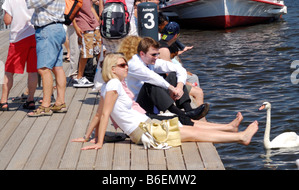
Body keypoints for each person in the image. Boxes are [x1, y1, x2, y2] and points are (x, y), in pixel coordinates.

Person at [71, 53, 259, 150]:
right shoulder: (113, 84)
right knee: (193, 133)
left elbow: (98, 114)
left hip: (147, 127)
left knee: (192, 131)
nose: (126, 67)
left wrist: (88, 136)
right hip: (145, 132)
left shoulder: (108, 85)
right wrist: (99, 142)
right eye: (122, 65)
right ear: (112, 69)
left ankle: (235, 132)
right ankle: (240, 137)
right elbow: (103, 115)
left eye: (126, 64)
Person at [127, 37, 208, 124]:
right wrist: (172, 89)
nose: (156, 57)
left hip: (154, 99)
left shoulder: (151, 60)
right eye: (153, 54)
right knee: (150, 84)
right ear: (142, 54)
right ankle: (181, 114)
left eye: (157, 54)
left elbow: (179, 69)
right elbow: (152, 77)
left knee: (173, 75)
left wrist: (179, 87)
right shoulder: (134, 64)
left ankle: (189, 110)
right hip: (140, 105)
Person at [23, 0, 67, 116]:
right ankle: (60, 101)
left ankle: (46, 105)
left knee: (43, 69)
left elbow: (31, 2)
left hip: (47, 30)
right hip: (56, 28)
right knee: (57, 67)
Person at [0, 0, 38, 111]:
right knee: (32, 70)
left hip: (18, 38)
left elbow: (7, 20)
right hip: (34, 35)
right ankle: (31, 99)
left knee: (10, 71)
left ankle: (4, 100)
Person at [71, 0, 101, 88]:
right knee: (86, 52)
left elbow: (91, 7)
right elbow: (71, 10)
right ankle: (79, 77)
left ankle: (101, 75)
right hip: (83, 24)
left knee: (99, 50)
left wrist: (98, 20)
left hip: (94, 24)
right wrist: (76, 26)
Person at [60, 0, 83, 77]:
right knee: (74, 46)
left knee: (86, 44)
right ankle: (74, 71)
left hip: (84, 16)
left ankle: (84, 71)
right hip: (72, 16)